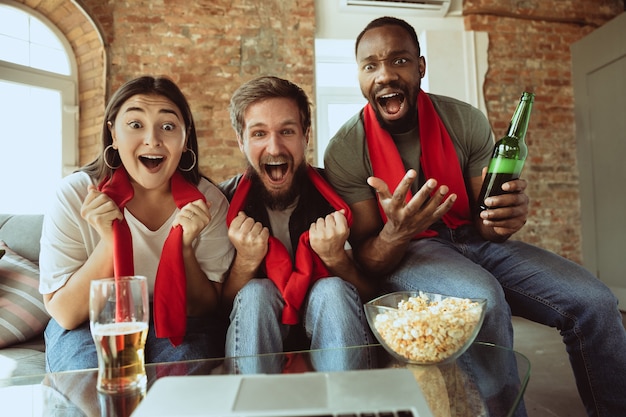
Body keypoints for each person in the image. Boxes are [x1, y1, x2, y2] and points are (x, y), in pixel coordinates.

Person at [323, 16, 626, 417]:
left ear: (420, 67)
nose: (385, 75)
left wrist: (504, 217)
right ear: (359, 75)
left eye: (399, 61)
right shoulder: (345, 149)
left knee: (596, 302)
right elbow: (367, 258)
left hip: (472, 238)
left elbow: (486, 226)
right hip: (413, 252)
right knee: (481, 302)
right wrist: (397, 231)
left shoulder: (464, 121)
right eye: (370, 65)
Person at [39, 75, 235, 372]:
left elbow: (203, 309)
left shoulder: (210, 202)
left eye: (168, 127)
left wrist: (184, 250)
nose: (152, 139)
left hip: (178, 319)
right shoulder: (74, 195)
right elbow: (65, 314)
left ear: (185, 139)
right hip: (90, 321)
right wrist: (108, 243)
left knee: (177, 385)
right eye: (135, 125)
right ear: (113, 135)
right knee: (92, 382)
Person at [219, 76, 377, 373]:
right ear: (241, 141)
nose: (274, 147)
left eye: (287, 131)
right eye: (259, 134)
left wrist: (336, 259)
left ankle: (349, 405)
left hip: (328, 325)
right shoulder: (223, 203)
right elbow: (217, 309)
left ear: (306, 135)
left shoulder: (339, 194)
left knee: (333, 290)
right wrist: (245, 263)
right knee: (256, 293)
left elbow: (372, 294)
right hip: (260, 328)